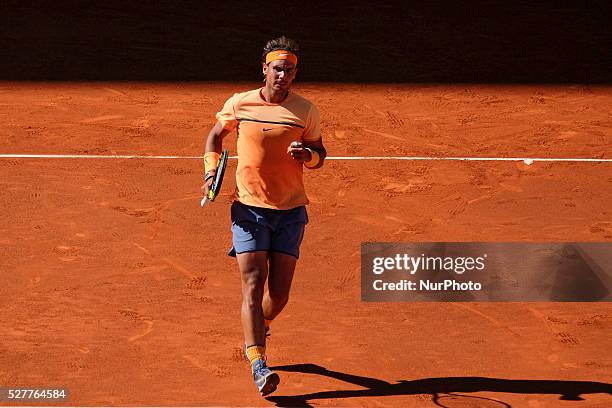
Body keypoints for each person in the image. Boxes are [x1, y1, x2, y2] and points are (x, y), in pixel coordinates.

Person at [202, 36, 326, 396]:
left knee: (279, 296)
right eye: (277, 68)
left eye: (289, 69)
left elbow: (321, 153)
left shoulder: (306, 110)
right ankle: (258, 362)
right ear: (264, 69)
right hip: (249, 209)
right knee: (253, 285)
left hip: (290, 212)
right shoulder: (240, 103)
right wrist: (211, 171)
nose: (283, 75)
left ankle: (262, 324)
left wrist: (308, 157)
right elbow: (215, 136)